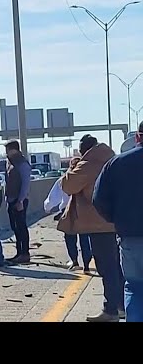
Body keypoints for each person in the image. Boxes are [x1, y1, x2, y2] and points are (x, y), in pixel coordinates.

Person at [60, 134, 124, 322]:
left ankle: (111, 309)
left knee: (106, 267)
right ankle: (120, 305)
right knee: (116, 266)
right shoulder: (113, 159)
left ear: (84, 150)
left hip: (98, 222)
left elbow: (68, 186)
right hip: (115, 220)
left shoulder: (87, 165)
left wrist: (73, 166)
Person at [93, 121, 143, 322]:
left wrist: (116, 219)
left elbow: (98, 200)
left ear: (138, 137)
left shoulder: (116, 164)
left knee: (134, 287)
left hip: (131, 238)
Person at [44, 157, 92, 273]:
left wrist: (48, 208)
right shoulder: (87, 179)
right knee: (85, 239)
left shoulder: (64, 179)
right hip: (83, 211)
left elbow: (53, 197)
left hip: (68, 210)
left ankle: (75, 261)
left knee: (70, 237)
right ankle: (86, 264)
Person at [4, 140, 32, 264]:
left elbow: (25, 184)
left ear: (14, 150)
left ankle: (24, 254)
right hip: (11, 200)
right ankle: (19, 253)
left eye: (8, 150)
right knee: (15, 228)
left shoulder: (22, 164)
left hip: (19, 201)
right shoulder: (10, 162)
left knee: (21, 227)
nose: (6, 153)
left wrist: (20, 200)